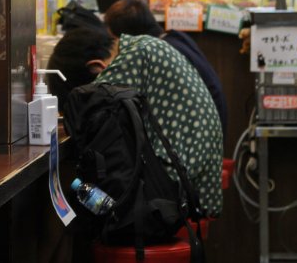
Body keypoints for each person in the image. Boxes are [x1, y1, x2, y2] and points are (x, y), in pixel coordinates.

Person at [48, 27, 223, 218]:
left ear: (97, 68)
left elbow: (86, 113)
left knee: (90, 203)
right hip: (196, 186)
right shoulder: (143, 44)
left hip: (182, 195)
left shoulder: (134, 57)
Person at [103, 0, 228, 137]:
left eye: (115, 40)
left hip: (200, 137)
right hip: (212, 129)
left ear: (129, 37)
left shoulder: (158, 54)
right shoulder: (175, 38)